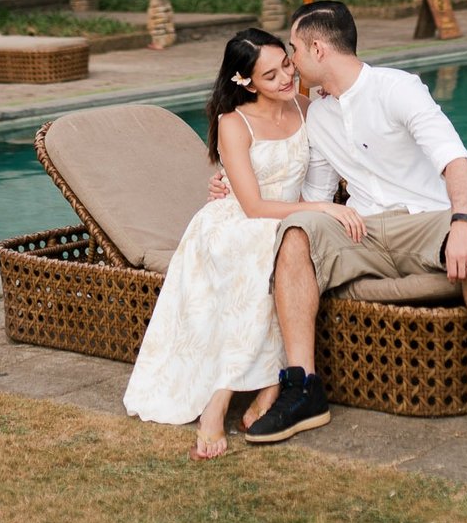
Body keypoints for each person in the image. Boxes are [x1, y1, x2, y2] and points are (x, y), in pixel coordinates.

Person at [241, 0, 467, 445]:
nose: (292, 61)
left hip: (423, 221)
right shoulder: (319, 114)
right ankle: (303, 388)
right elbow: (315, 197)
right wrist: (237, 187)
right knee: (296, 235)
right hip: (360, 230)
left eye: (294, 49)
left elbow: (455, 161)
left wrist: (464, 221)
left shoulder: (398, 88)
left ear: (318, 49)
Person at [122, 28, 366, 460]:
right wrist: (320, 209)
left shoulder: (308, 107)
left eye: (286, 64)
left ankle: (270, 383)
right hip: (236, 221)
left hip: (288, 221)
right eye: (270, 76)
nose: (286, 78)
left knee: (280, 247)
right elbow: (252, 206)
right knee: (262, 250)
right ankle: (223, 398)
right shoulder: (233, 123)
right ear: (247, 83)